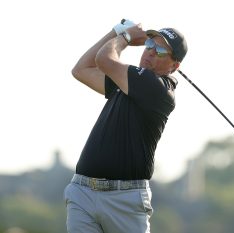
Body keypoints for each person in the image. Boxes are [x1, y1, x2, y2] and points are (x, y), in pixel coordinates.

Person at [63, 19, 187, 233]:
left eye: (159, 50)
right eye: (149, 44)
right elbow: (81, 69)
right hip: (82, 192)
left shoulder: (157, 88)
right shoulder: (127, 83)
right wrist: (116, 31)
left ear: (174, 66)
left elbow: (104, 59)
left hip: (125, 201)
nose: (149, 51)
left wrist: (126, 37)